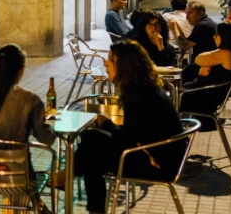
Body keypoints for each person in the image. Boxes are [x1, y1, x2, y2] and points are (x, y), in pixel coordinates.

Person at [54, 41, 185, 214]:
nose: (105, 63)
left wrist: (106, 123)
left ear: (125, 65)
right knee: (91, 146)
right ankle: (70, 182)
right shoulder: (144, 88)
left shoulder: (138, 95)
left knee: (91, 144)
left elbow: (126, 139)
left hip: (159, 164)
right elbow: (133, 134)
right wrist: (107, 126)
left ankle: (66, 179)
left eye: (110, 59)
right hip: (157, 155)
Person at [180, 22, 231, 130]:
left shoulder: (227, 54)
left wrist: (204, 69)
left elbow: (198, 59)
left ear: (225, 37)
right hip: (206, 96)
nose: (214, 37)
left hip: (200, 99)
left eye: (216, 34)